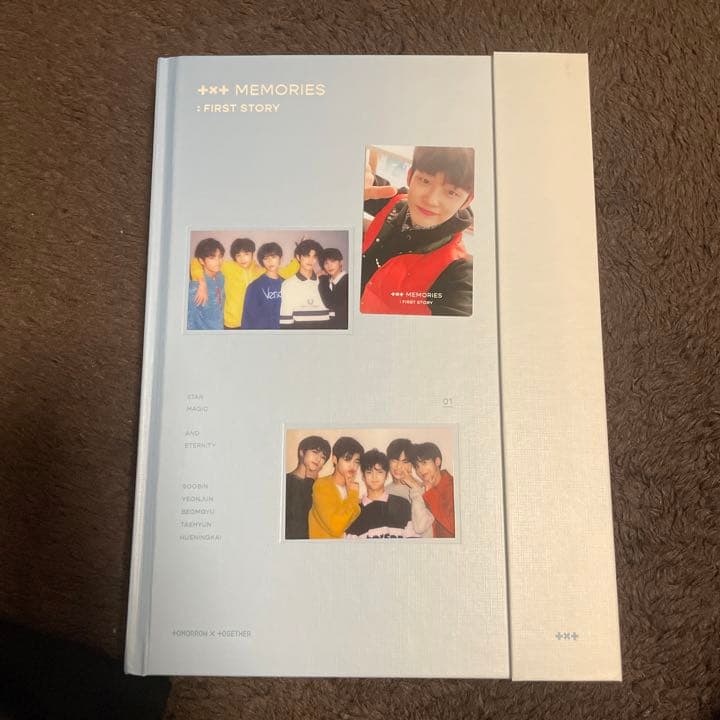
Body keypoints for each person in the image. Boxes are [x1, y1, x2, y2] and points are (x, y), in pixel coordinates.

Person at [361, 146, 474, 317]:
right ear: (410, 176)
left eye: (451, 192)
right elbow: (365, 184)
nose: (431, 200)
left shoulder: (458, 271)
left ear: (467, 200)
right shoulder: (394, 200)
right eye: (425, 181)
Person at [191, 237, 298, 329]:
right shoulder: (227, 267)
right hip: (232, 323)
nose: (242, 259)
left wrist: (298, 257)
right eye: (238, 255)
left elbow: (285, 272)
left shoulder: (259, 270)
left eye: (246, 254)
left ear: (252, 254)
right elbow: (196, 261)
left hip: (252, 322)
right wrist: (202, 282)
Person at [345, 449, 414, 539]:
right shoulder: (355, 512)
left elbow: (413, 542)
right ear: (363, 476)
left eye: (379, 472)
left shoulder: (402, 504)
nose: (374, 477)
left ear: (386, 476)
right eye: (369, 472)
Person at [308, 436, 364, 538]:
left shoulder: (352, 491)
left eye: (356, 462)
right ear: (334, 459)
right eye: (347, 459)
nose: (352, 466)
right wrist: (352, 496)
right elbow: (336, 528)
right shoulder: (322, 485)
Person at [385, 438, 434, 538]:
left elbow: (421, 527)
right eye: (395, 460)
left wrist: (415, 488)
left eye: (405, 461)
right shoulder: (384, 492)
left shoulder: (426, 488)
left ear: (412, 464)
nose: (399, 466)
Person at [285, 435, 331, 540]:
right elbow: (297, 518)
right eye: (315, 452)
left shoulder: (321, 489)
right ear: (302, 452)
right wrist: (309, 481)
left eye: (323, 457)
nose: (318, 459)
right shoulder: (285, 481)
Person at [279, 239, 331, 329]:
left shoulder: (325, 282)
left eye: (314, 256)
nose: (311, 260)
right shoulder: (288, 284)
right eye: (307, 256)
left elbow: (331, 315)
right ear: (298, 257)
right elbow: (286, 321)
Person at [410, 442, 455, 538]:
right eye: (417, 466)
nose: (420, 470)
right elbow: (419, 527)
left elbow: (454, 526)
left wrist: (430, 494)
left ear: (437, 461)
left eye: (424, 463)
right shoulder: (422, 489)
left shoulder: (454, 487)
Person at [242, 242, 286, 329]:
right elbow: (247, 318)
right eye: (266, 258)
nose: (270, 261)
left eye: (273, 257)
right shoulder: (255, 286)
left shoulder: (286, 284)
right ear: (262, 261)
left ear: (280, 258)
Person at [187, 238, 225, 330]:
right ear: (201, 261)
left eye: (220, 256)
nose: (218, 261)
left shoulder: (220, 277)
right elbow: (190, 322)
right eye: (212, 258)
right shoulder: (195, 287)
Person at [317, 248, 349, 329]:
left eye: (333, 261)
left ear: (341, 262)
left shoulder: (347, 281)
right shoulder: (329, 282)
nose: (329, 266)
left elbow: (331, 303)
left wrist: (323, 279)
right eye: (326, 263)